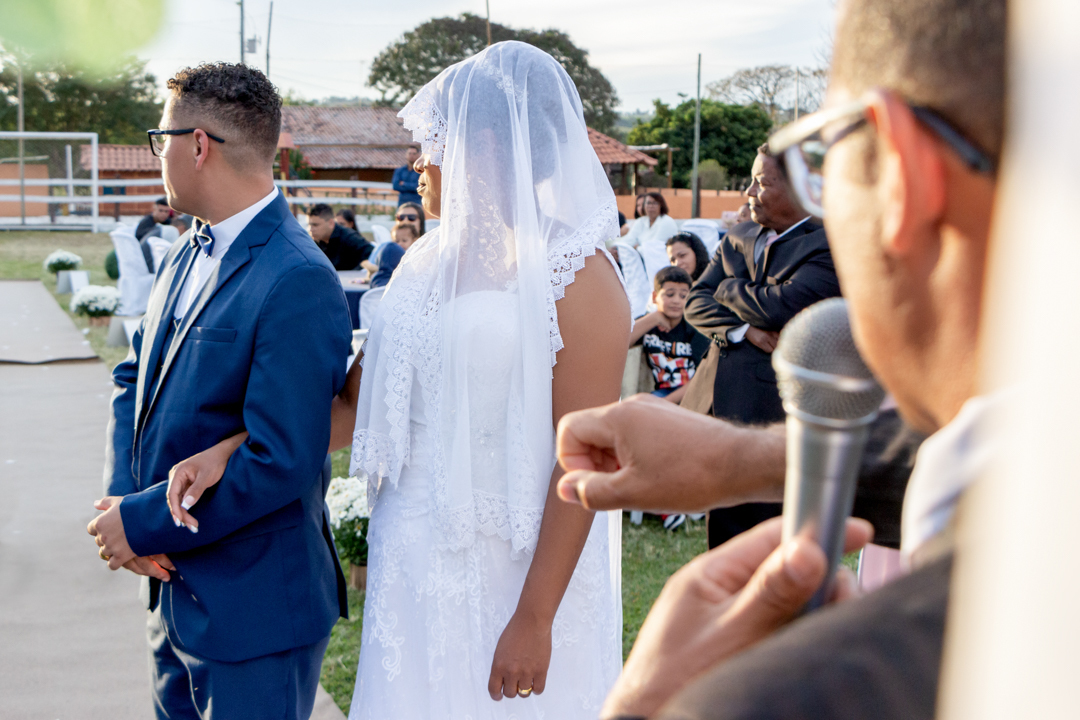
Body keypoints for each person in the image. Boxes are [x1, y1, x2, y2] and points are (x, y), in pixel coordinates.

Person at [556, 0, 1005, 714]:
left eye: (822, 152)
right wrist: (737, 462)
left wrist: (650, 707)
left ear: (903, 175)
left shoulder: (809, 692)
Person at [160, 41, 631, 719]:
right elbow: (357, 402)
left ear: (484, 147)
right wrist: (228, 451)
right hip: (410, 553)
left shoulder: (578, 272)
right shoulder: (421, 264)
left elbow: (587, 456)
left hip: (513, 566)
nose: (416, 164)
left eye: (431, 143)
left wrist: (535, 614)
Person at [87, 62, 352, 720]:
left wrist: (143, 521)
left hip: (253, 612)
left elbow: (280, 458)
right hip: (174, 594)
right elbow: (134, 377)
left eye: (161, 139)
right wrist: (126, 498)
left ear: (198, 144)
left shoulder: (296, 277)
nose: (160, 156)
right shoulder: (184, 250)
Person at [680, 145, 841, 549]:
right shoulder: (739, 236)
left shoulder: (827, 243)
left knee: (771, 541)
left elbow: (784, 306)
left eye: (762, 182)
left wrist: (729, 288)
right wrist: (742, 330)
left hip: (776, 415)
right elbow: (695, 302)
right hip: (717, 406)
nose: (749, 191)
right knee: (723, 538)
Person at [630, 266, 710, 405]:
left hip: (692, 393)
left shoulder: (693, 328)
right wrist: (653, 318)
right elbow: (621, 343)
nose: (676, 301)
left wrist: (666, 402)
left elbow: (703, 376)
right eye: (670, 294)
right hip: (662, 393)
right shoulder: (649, 325)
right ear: (655, 297)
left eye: (683, 296)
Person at [625, 192, 679, 281]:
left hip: (661, 264)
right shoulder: (641, 221)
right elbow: (628, 240)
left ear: (661, 205)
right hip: (641, 262)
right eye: (648, 203)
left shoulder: (667, 222)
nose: (651, 206)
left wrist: (637, 247)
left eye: (655, 203)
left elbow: (653, 248)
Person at [308, 202, 374, 270]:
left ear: (330, 223)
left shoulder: (348, 237)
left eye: (315, 225)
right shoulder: (315, 242)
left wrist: (354, 274)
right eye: (310, 225)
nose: (311, 229)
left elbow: (373, 254)